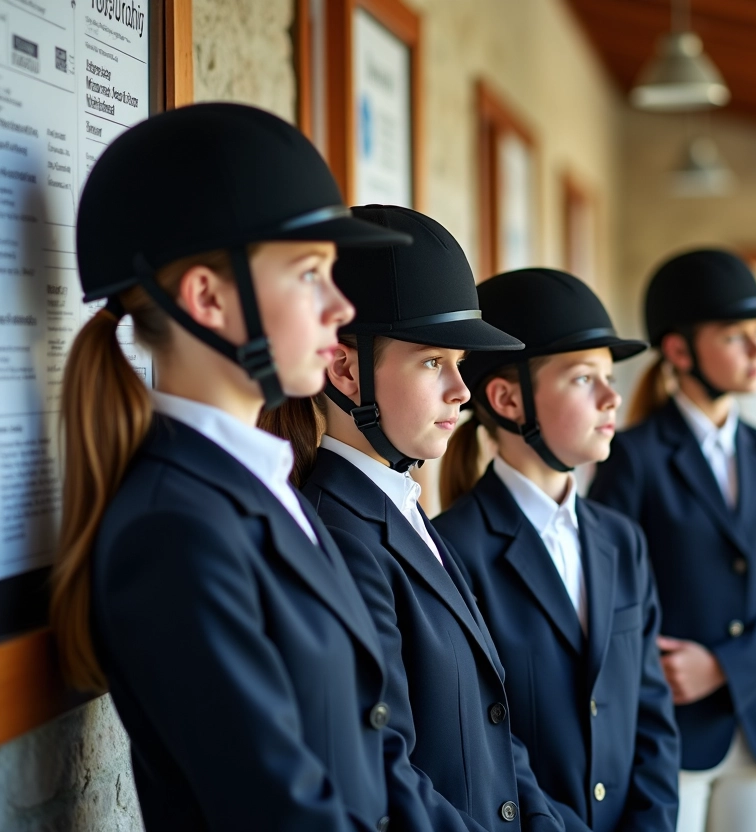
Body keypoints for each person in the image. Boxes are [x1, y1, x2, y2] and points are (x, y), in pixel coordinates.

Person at [47, 103, 484, 830]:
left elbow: (367, 752)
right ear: (208, 298)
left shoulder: (265, 491)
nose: (340, 307)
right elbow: (280, 809)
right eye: (311, 274)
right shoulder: (172, 528)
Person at [265, 205, 578, 831]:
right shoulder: (336, 534)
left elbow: (494, 731)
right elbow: (385, 770)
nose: (461, 390)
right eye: (434, 362)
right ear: (346, 369)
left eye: (459, 364)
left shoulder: (405, 510)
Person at [433, 268, 681, 832]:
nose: (612, 396)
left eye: (610, 376)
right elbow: (484, 736)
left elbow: (651, 711)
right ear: (507, 398)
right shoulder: (452, 550)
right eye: (582, 378)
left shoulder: (622, 540)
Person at [589, 249, 756, 832]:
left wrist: (722, 664)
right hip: (670, 724)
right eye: (737, 335)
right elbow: (610, 599)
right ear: (679, 349)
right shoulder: (631, 457)